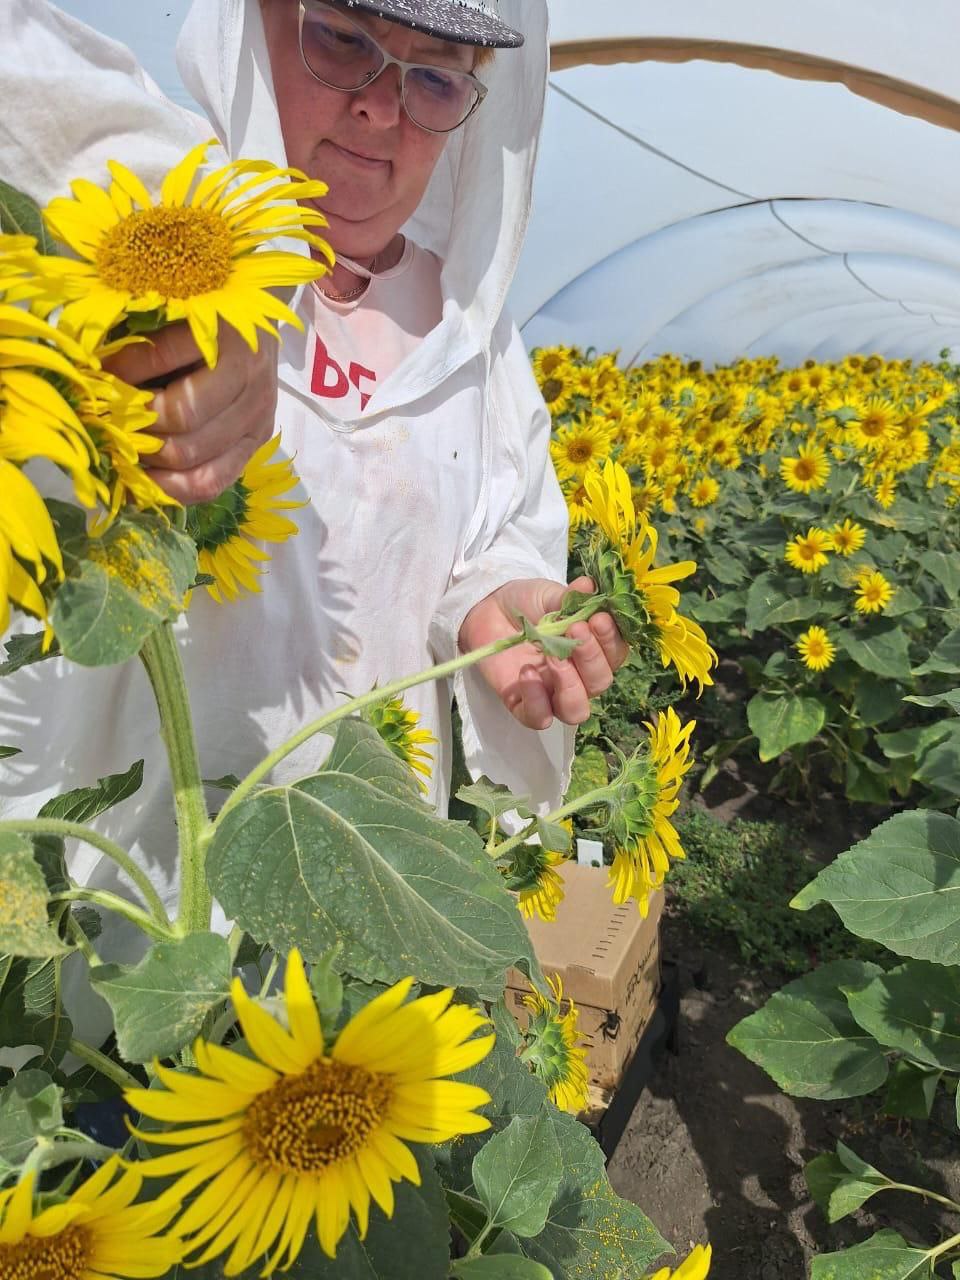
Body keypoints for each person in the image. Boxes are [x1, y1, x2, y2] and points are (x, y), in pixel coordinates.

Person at [0, 0, 626, 1015]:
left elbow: (496, 520)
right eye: (341, 41)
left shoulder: (473, 336)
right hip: (123, 931)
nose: (381, 108)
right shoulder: (112, 227)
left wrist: (497, 605)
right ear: (251, 29)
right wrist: (195, 265)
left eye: (433, 78)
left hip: (353, 895)